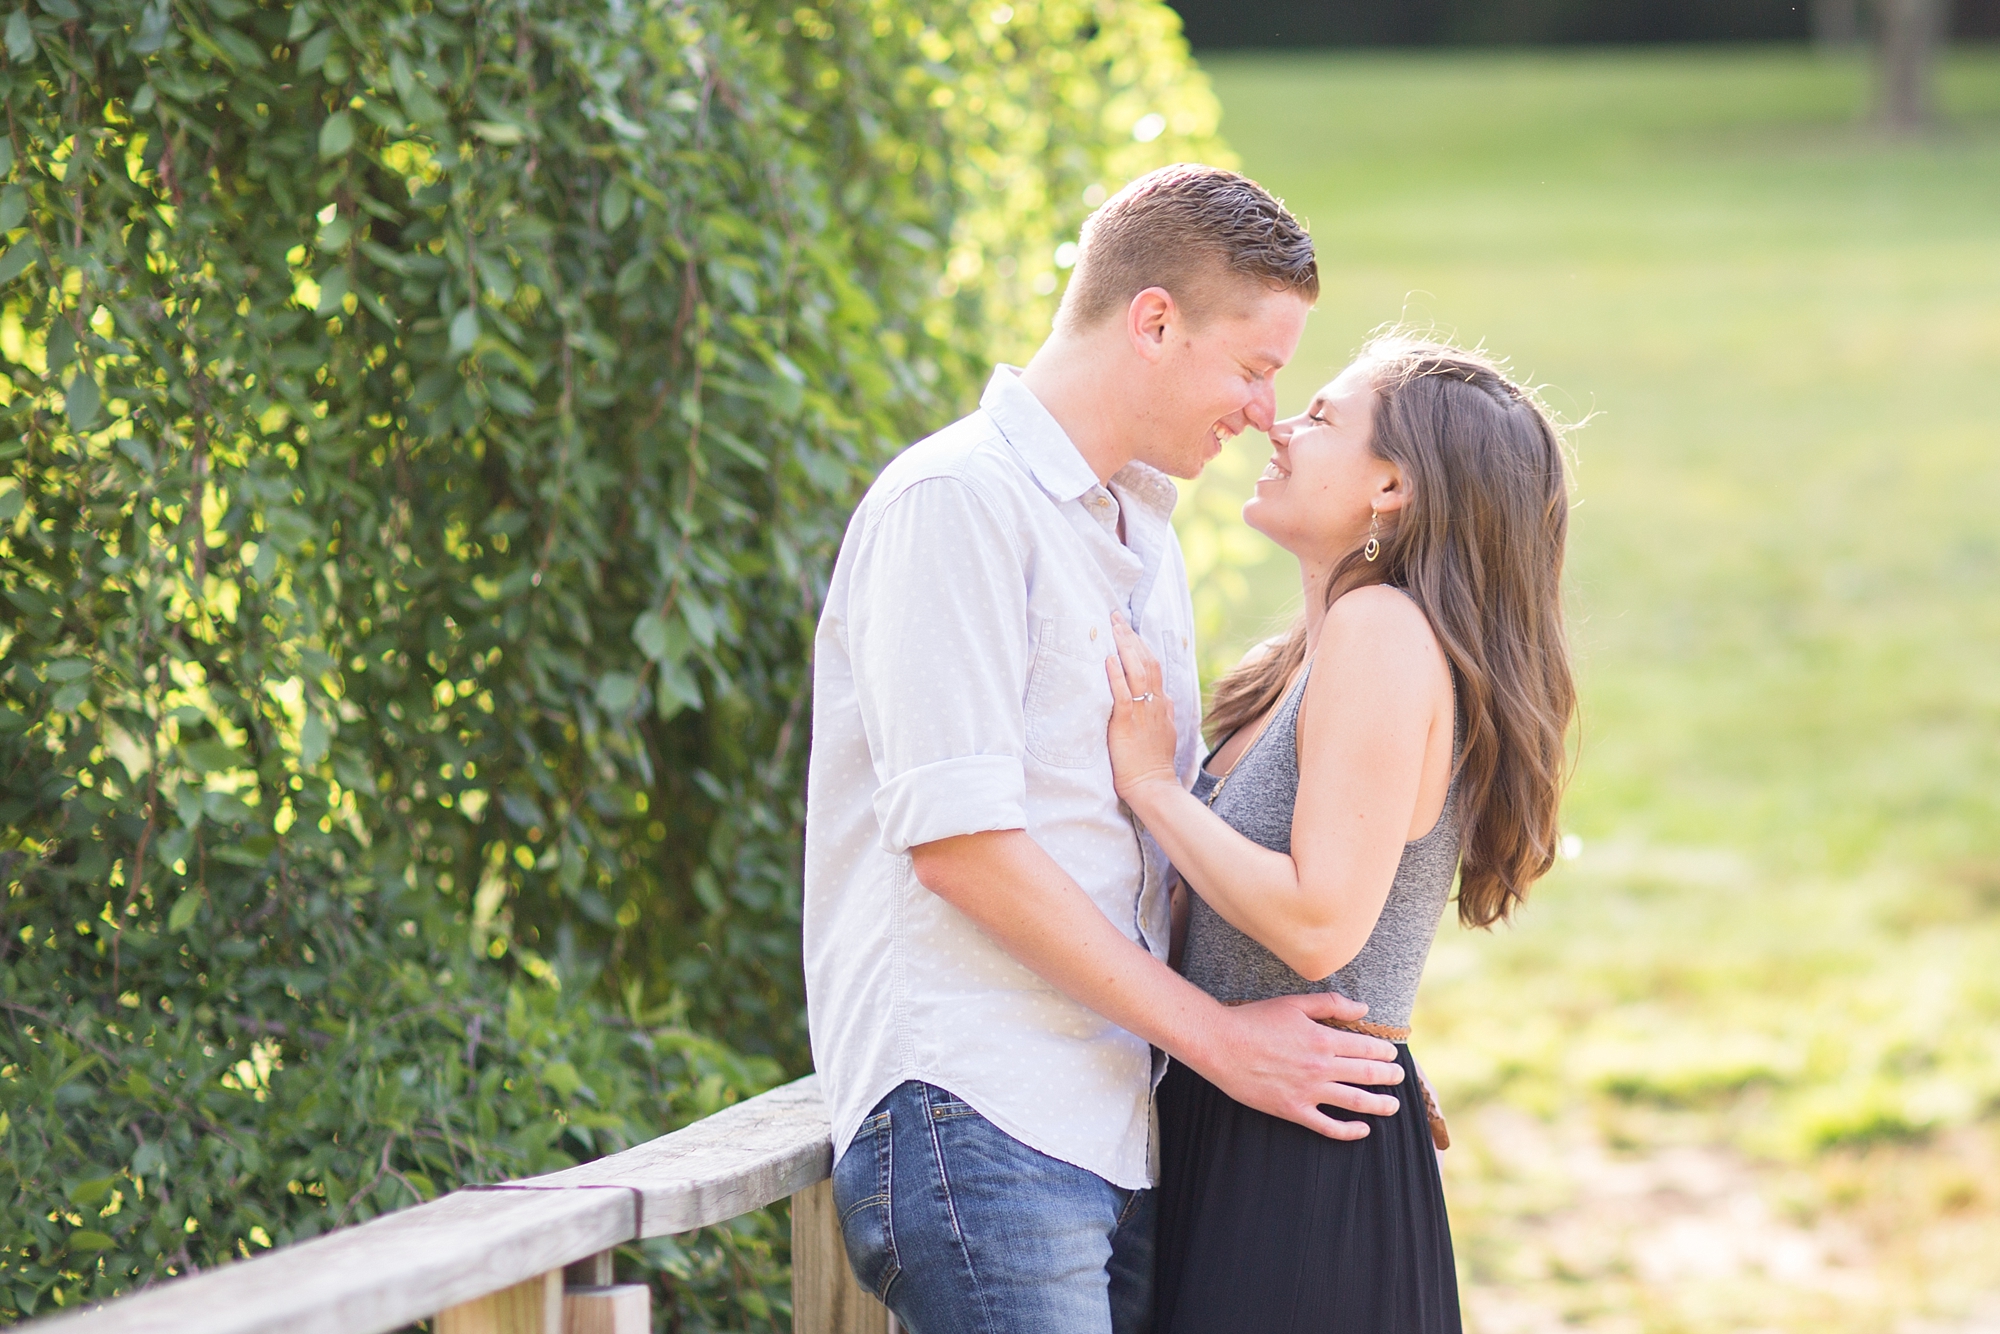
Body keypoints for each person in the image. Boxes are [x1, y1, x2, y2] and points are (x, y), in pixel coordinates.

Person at [803, 165, 1410, 1334]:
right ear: (1152, 320)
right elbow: (963, 849)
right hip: (979, 1113)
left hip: (1110, 1122)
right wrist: (1225, 1046)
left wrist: (1351, 1058)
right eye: (1250, 366)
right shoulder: (956, 501)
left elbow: (1160, 856)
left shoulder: (1140, 535)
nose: (1261, 411)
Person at [1103, 336, 1577, 1333]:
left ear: (1392, 485)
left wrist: (1152, 787)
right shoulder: (1308, 655)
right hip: (1255, 1123)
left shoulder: (1383, 633)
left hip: (1288, 1169)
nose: (1278, 425)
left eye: (1319, 418)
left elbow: (1319, 922)